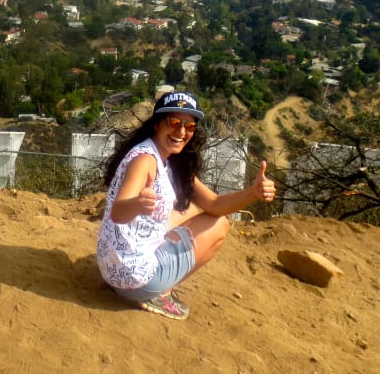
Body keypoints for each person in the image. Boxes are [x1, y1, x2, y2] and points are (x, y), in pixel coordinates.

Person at [96, 90, 276, 319]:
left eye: (189, 126)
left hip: (113, 270)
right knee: (220, 226)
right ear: (157, 124)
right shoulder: (145, 161)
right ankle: (160, 292)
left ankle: (139, 285)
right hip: (137, 281)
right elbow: (118, 212)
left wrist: (254, 192)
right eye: (174, 122)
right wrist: (138, 204)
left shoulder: (166, 159)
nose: (181, 131)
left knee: (191, 209)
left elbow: (214, 203)